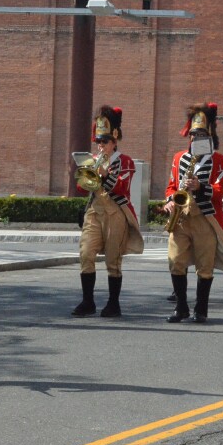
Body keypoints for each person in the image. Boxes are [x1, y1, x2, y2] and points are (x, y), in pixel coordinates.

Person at [72, 105, 144, 317]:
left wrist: (103, 174)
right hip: (95, 210)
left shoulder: (125, 161)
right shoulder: (94, 160)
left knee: (113, 260)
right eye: (98, 142)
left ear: (114, 141)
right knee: (86, 253)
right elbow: (80, 187)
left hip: (116, 212)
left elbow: (121, 186)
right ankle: (88, 301)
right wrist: (87, 171)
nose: (100, 146)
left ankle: (113, 303)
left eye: (104, 141)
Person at [163, 103, 223, 323]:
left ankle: (200, 309)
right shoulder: (178, 158)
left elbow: (222, 190)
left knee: (205, 265)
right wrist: (170, 201)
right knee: (175, 260)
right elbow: (171, 186)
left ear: (209, 135)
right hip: (181, 218)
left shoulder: (220, 161)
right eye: (193, 134)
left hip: (205, 216)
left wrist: (201, 187)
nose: (195, 138)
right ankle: (181, 307)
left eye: (200, 134)